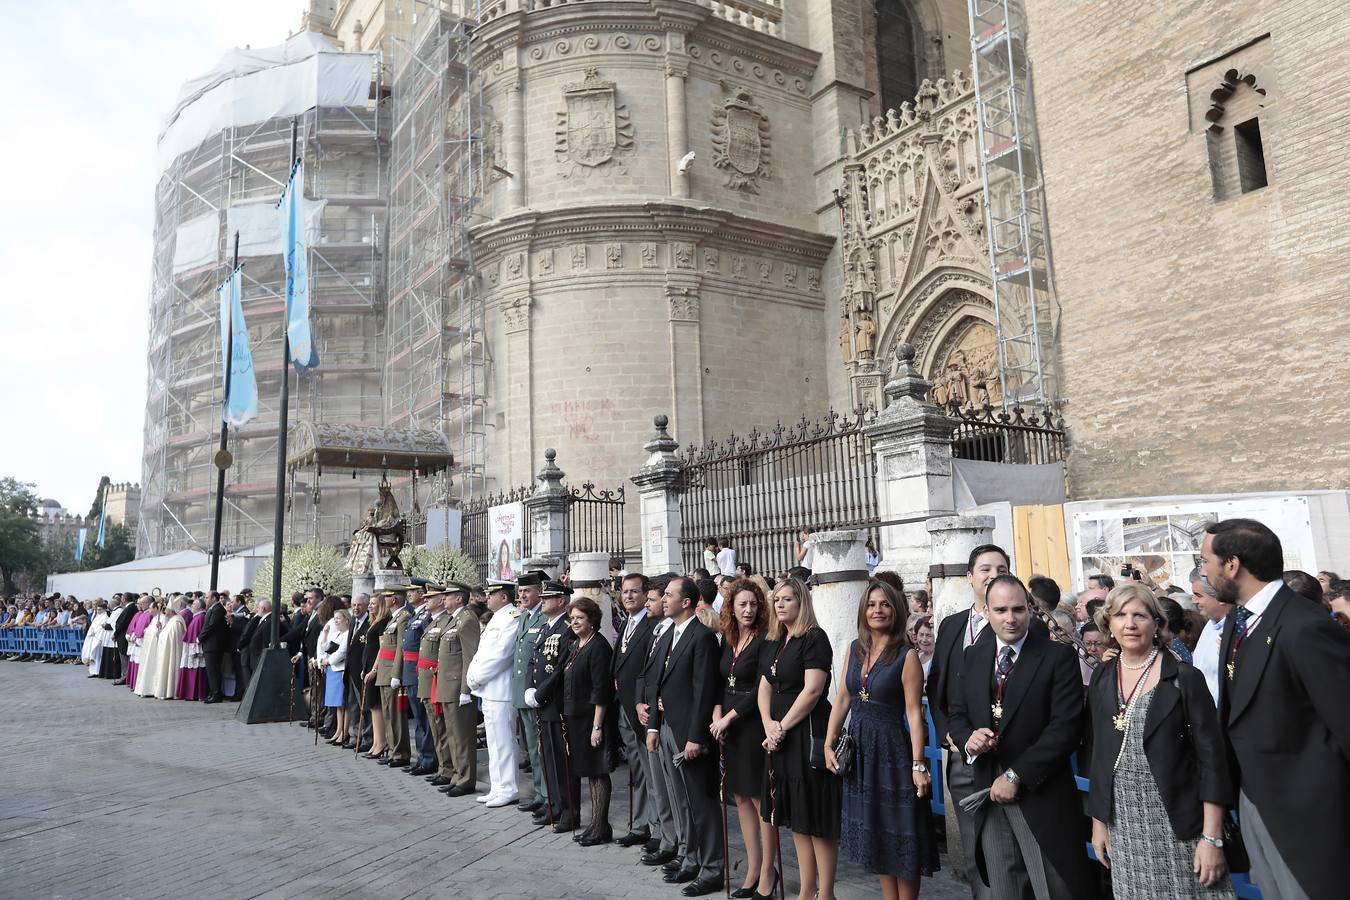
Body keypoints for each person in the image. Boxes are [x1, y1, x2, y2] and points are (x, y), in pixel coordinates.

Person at [1204, 519, 1350, 900]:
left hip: (1310, 818)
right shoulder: (1239, 618)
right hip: (1254, 803)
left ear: (1232, 564)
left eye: (1206, 560)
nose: (1203, 570)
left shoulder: (1304, 626)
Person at [947, 575, 1096, 900]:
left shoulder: (1058, 657)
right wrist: (968, 741)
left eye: (1018, 609)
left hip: (1041, 792)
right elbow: (957, 714)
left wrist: (1017, 774)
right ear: (986, 611)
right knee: (1002, 889)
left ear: (1030, 610)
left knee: (1054, 888)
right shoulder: (974, 655)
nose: (1010, 618)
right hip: (987, 788)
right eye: (1001, 610)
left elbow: (1066, 728)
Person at [1086, 583, 1234, 900]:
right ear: (1108, 624)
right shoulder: (1102, 676)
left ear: (1156, 623)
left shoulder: (1184, 678)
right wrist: (1099, 823)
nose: (1130, 624)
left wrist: (1212, 837)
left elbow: (1212, 761)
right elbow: (1099, 753)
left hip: (1181, 822)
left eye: (1140, 615)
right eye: (1121, 615)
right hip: (1123, 823)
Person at [827, 579, 936, 900]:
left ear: (896, 610)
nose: (878, 610)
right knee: (878, 835)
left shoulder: (907, 656)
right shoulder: (854, 649)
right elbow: (844, 697)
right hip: (860, 752)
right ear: (863, 610)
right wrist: (828, 741)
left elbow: (915, 714)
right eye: (872, 604)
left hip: (893, 753)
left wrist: (918, 764)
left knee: (902, 833)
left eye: (885, 604)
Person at [927, 543, 1013, 900]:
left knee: (1010, 849)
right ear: (969, 577)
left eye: (1001, 569)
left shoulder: (1018, 623)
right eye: (985, 569)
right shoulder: (951, 626)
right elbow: (936, 687)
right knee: (973, 840)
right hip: (961, 755)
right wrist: (949, 733)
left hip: (1006, 755)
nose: (994, 575)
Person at [759, 576, 840, 900]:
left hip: (805, 733)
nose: (780, 604)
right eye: (777, 599)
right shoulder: (775, 640)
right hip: (780, 737)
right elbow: (764, 684)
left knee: (817, 816)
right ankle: (806, 890)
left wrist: (781, 726)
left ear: (801, 602)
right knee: (797, 818)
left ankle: (826, 892)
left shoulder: (814, 639)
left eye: (788, 599)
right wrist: (767, 723)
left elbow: (813, 691)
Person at [647, 575, 724, 897]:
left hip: (688, 734)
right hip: (666, 728)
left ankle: (713, 868)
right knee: (680, 801)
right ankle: (690, 858)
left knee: (700, 804)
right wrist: (652, 725)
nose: (663, 599)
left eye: (669, 595)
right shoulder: (669, 633)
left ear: (687, 602)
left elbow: (704, 691)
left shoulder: (701, 637)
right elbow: (655, 682)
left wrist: (696, 737)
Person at [709, 577, 775, 899]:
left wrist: (730, 717)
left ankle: (768, 871)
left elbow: (761, 687)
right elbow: (722, 682)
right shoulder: (728, 638)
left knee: (761, 801)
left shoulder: (765, 639)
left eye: (753, 604)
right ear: (731, 608)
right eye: (741, 605)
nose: (748, 610)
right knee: (740, 798)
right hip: (729, 725)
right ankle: (752, 864)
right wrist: (717, 713)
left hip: (752, 724)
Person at [545, 595, 615, 845]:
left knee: (598, 771)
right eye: (572, 618)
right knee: (587, 770)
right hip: (575, 719)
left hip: (592, 719)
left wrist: (597, 726)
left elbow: (601, 689)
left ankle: (600, 826)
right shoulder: (576, 645)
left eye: (580, 618)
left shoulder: (598, 646)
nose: (574, 622)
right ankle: (595, 824)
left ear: (592, 620)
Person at [610, 573, 659, 847]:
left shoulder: (651, 626)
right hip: (625, 709)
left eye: (634, 591)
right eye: (624, 591)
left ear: (645, 594)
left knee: (651, 773)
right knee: (637, 771)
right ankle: (640, 824)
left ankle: (656, 827)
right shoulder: (627, 623)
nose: (628, 596)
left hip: (642, 708)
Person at [526, 580, 578, 831]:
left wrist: (541, 693)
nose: (543, 601)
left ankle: (569, 811)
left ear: (561, 601)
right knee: (547, 757)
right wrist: (529, 688)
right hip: (542, 702)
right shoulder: (545, 627)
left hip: (556, 703)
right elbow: (532, 661)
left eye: (548, 597)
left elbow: (561, 669)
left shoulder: (567, 628)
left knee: (561, 759)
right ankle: (555, 806)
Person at [466, 579, 522, 806]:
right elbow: (482, 652)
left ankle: (508, 788)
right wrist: (473, 675)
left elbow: (501, 655)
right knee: (493, 741)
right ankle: (497, 786)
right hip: (489, 689)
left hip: (501, 689)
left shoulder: (512, 618)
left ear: (504, 597)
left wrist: (476, 677)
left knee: (505, 741)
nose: (487, 597)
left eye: (492, 594)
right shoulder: (498, 618)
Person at [636, 575, 679, 866]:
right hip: (650, 714)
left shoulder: (673, 632)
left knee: (670, 788)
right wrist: (642, 702)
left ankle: (674, 841)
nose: (654, 603)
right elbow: (646, 674)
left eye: (656, 598)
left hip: (669, 718)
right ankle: (667, 837)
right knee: (657, 784)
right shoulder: (656, 630)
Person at [436, 582, 482, 797]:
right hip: (447, 685)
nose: (443, 599)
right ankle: (457, 774)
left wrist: (466, 690)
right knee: (453, 734)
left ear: (459, 598)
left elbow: (469, 657)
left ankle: (466, 779)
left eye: (448, 595)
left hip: (457, 687)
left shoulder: (467, 619)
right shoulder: (454, 619)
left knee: (462, 736)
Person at [511, 571, 551, 816]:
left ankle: (548, 794)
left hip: (537, 692)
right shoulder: (523, 617)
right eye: (520, 591)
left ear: (539, 591)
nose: (522, 595)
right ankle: (539, 792)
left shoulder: (544, 619)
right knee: (532, 747)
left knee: (541, 748)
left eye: (527, 591)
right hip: (522, 692)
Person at [414, 587, 453, 787]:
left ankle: (447, 769)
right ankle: (442, 767)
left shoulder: (446, 621)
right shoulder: (432, 621)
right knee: (435, 727)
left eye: (431, 597)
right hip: (427, 680)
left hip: (436, 680)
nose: (425, 600)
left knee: (441, 727)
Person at [376, 587, 412, 767]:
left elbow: (400, 647)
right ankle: (392, 749)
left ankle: (400, 752)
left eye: (388, 596)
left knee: (396, 715)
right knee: (388, 714)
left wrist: (396, 673)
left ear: (396, 599)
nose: (385, 598)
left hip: (391, 671)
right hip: (384, 670)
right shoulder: (393, 618)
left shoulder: (403, 617)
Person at [360, 593, 391, 760]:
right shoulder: (374, 622)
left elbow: (382, 648)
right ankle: (376, 742)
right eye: (370, 603)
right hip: (368, 667)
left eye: (373, 604)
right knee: (372, 706)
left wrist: (374, 669)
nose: (370, 606)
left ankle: (381, 743)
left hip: (375, 669)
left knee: (376, 706)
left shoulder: (382, 623)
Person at [320, 609, 350, 745]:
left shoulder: (348, 634)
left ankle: (344, 732)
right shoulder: (336, 633)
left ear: (346, 620)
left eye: (339, 618)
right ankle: (338, 731)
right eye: (335, 618)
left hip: (340, 669)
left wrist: (329, 661)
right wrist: (326, 632)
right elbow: (325, 647)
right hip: (332, 670)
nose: (336, 621)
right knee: (337, 705)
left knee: (343, 704)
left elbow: (342, 652)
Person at [344, 594, 371, 749]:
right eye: (353, 605)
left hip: (362, 671)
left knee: (365, 706)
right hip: (351, 671)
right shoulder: (354, 621)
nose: (355, 608)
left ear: (366, 606)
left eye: (359, 605)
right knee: (353, 705)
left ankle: (367, 738)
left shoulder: (370, 623)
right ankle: (356, 736)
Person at [149, 597, 187, 700]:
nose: (164, 611)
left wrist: (161, 635)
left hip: (171, 653)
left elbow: (172, 639)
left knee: (170, 668)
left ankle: (171, 691)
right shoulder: (171, 621)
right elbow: (164, 635)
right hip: (165, 652)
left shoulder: (177, 623)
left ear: (171, 610)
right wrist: (161, 629)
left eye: (166, 609)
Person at [198, 592, 229, 703]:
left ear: (214, 598)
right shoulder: (213, 608)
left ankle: (216, 694)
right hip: (210, 644)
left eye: (207, 597)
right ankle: (213, 692)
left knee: (213, 670)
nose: (205, 599)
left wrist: (200, 638)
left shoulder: (217, 609)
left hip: (214, 645)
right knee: (211, 671)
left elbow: (211, 626)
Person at [176, 598, 207, 700]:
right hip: (190, 648)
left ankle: (195, 694)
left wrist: (196, 651)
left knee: (196, 671)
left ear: (198, 606)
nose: (192, 606)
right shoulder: (196, 617)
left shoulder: (200, 618)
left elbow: (197, 635)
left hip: (194, 650)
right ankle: (190, 693)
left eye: (193, 604)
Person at [909, 614, 935, 679]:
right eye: (921, 635)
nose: (924, 640)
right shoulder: (916, 655)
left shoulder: (938, 659)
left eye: (928, 635)